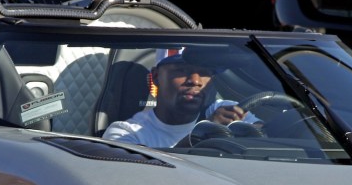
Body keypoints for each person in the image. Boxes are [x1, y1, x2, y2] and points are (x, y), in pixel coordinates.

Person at [103, 49, 256, 147]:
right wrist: (205, 132)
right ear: (156, 76)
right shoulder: (125, 134)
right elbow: (149, 179)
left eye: (205, 72)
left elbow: (268, 138)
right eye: (182, 70)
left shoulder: (225, 111)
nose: (196, 81)